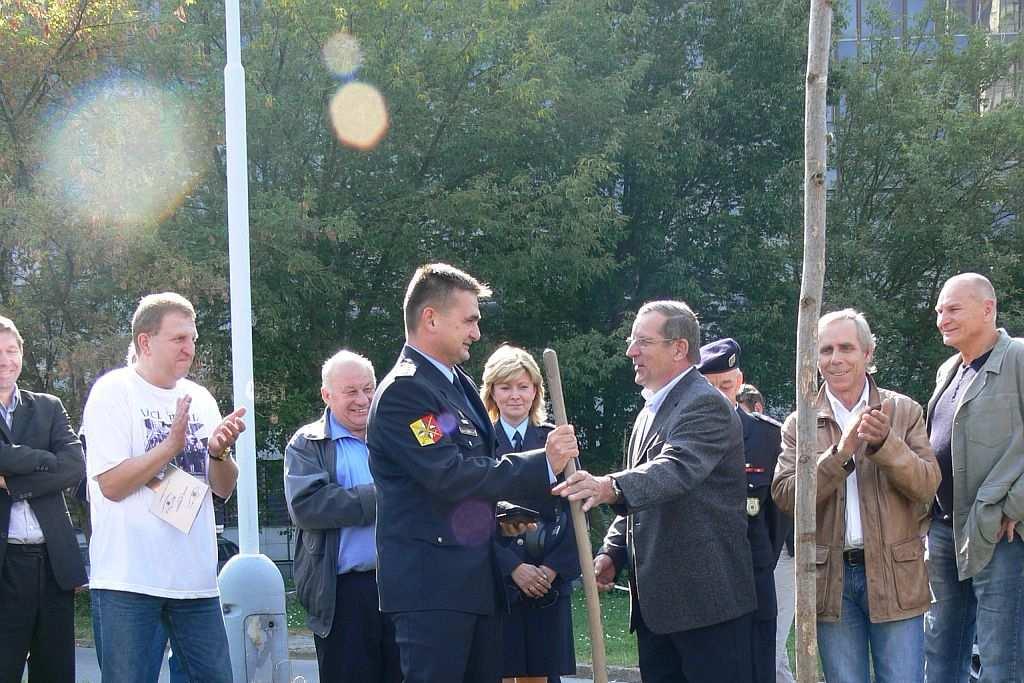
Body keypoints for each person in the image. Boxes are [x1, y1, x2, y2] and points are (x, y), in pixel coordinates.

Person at [366, 263, 580, 683]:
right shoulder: (405, 392)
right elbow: (449, 474)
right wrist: (542, 462)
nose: (476, 334)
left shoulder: (455, 385)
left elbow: (469, 471)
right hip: (433, 590)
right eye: (469, 320)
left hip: (473, 585)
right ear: (431, 318)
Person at [554, 300, 756, 683]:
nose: (631, 351)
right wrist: (612, 551)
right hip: (658, 610)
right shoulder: (650, 410)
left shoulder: (705, 405)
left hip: (705, 608)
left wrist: (608, 486)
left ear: (679, 348)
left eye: (643, 341)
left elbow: (675, 471)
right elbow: (642, 493)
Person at [81, 292, 247, 683]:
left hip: (196, 584)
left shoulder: (200, 398)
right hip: (129, 581)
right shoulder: (113, 392)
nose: (189, 348)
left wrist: (219, 453)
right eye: (178, 339)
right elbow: (111, 485)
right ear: (145, 341)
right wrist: (170, 447)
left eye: (193, 339)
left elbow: (222, 490)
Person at [771, 308, 939, 683]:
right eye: (826, 350)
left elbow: (928, 485)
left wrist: (886, 445)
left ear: (868, 353)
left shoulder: (903, 410)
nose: (836, 359)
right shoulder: (801, 421)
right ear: (814, 358)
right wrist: (841, 454)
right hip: (831, 581)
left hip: (896, 575)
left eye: (846, 348)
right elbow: (785, 496)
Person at [924, 273, 1024, 682]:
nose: (942, 319)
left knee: (1002, 661)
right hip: (945, 530)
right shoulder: (949, 368)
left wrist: (1016, 504)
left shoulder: (1018, 356)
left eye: (953, 309)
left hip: (999, 533)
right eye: (939, 311)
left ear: (988, 309)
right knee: (941, 655)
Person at [284, 350, 401, 683]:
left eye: (368, 388)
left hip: (402, 586)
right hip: (343, 595)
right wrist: (386, 496)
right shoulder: (307, 444)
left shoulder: (398, 436)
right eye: (351, 391)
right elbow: (308, 506)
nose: (363, 399)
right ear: (327, 395)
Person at [481, 345, 580, 683]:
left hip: (547, 590)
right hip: (497, 585)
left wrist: (550, 570)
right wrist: (512, 567)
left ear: (536, 391)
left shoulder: (557, 441)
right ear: (492, 390)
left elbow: (575, 512)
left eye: (523, 387)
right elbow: (469, 517)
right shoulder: (478, 445)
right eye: (505, 387)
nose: (515, 396)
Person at [0, 315, 87, 682]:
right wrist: (42, 459)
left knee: (54, 673)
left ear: (22, 352)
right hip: (4, 566)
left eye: (11, 350)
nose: (6, 360)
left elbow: (73, 466)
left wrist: (13, 482)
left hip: (53, 565)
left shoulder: (48, 407)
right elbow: (55, 465)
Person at [698, 338, 785, 683]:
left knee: (757, 670)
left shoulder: (768, 438)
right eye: (709, 387)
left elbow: (777, 518)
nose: (719, 394)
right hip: (700, 580)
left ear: (740, 381)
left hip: (752, 579)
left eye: (727, 385)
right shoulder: (681, 434)